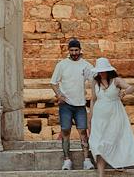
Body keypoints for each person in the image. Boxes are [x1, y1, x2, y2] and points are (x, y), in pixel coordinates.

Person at [88, 57, 134, 173]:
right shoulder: (95, 82)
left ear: (108, 70)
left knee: (113, 140)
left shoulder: (116, 80)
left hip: (115, 115)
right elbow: (93, 99)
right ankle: (101, 174)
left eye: (104, 70)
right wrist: (90, 115)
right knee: (97, 143)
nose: (101, 73)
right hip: (99, 116)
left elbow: (131, 88)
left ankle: (117, 162)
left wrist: (124, 92)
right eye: (100, 70)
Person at [50, 37, 94, 170]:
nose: (74, 53)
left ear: (80, 50)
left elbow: (95, 78)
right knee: (65, 131)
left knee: (82, 131)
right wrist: (59, 95)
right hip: (66, 104)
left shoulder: (86, 65)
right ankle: (66, 160)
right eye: (72, 50)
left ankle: (87, 160)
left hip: (80, 104)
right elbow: (53, 82)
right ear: (68, 51)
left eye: (76, 50)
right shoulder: (62, 64)